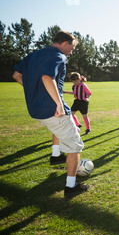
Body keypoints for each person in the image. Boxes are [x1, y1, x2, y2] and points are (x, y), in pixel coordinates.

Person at [12, 31, 90, 197]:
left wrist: (35, 92)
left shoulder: (34, 54)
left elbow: (17, 75)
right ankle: (71, 186)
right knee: (75, 146)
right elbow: (48, 78)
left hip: (35, 110)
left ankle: (56, 156)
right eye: (72, 47)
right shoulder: (58, 56)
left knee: (61, 135)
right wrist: (59, 104)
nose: (72, 51)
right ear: (65, 43)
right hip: (53, 110)